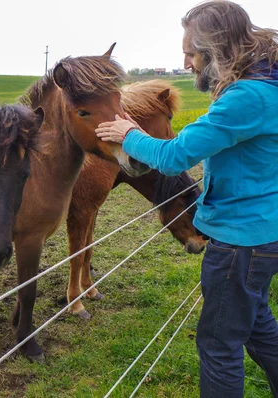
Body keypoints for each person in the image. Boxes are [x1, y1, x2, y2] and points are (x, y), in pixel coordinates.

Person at [95, 1, 278, 397]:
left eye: (191, 53)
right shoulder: (268, 84)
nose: (186, 62)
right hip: (263, 232)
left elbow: (174, 155)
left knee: (218, 345)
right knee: (256, 322)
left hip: (240, 241)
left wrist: (127, 132)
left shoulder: (247, 97)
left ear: (217, 50)